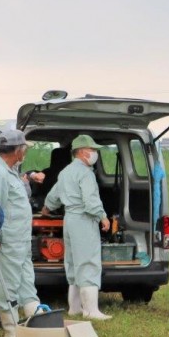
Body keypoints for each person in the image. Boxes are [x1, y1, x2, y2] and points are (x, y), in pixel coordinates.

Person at [42, 134, 112, 320]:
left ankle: (75, 308)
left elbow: (53, 197)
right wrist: (103, 216)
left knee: (72, 263)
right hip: (83, 219)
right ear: (82, 152)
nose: (95, 153)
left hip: (69, 220)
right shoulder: (85, 173)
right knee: (88, 262)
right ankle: (91, 310)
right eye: (93, 150)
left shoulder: (65, 172)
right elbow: (90, 201)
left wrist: (46, 209)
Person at [0, 129, 43, 337]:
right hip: (7, 241)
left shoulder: (10, 170)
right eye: (24, 148)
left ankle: (36, 320)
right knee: (7, 284)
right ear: (17, 150)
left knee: (26, 280)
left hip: (21, 240)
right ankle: (11, 331)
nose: (25, 152)